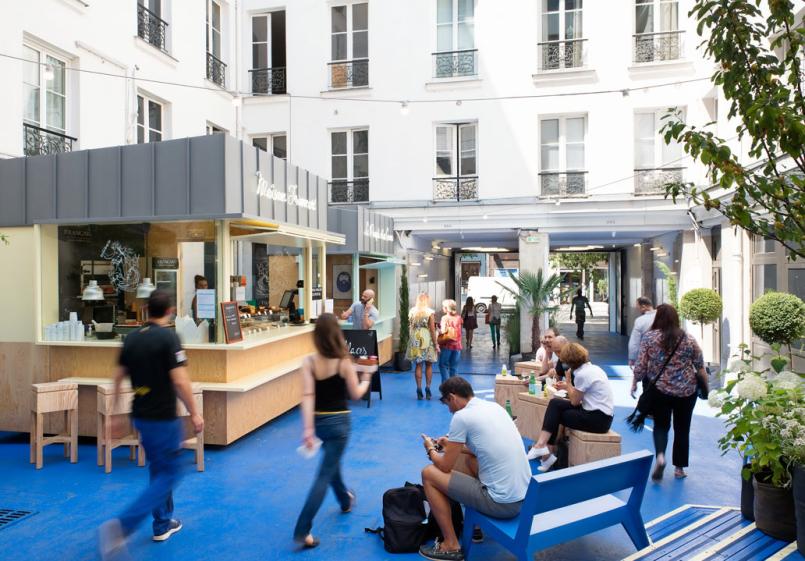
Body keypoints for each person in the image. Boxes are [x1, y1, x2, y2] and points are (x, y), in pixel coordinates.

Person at [99, 290, 204, 561]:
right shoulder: (169, 338)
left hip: (141, 416)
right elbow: (180, 381)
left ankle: (162, 524)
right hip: (163, 417)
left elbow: (118, 377)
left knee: (159, 468)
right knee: (170, 473)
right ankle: (123, 526)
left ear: (146, 309)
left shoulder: (131, 338)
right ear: (170, 311)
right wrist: (194, 413)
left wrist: (117, 415)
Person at [419, 377, 531, 561]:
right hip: (522, 499)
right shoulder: (494, 407)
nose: (449, 409)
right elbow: (482, 448)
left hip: (501, 504)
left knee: (429, 474)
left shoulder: (461, 417)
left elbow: (445, 466)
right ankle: (475, 526)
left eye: (447, 404)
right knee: (468, 459)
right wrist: (451, 446)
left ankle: (451, 544)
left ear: (452, 397)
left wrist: (430, 449)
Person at [293, 314, 372, 548]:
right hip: (340, 424)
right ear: (337, 334)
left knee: (331, 463)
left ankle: (345, 500)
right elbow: (356, 394)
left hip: (319, 423)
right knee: (324, 474)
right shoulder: (343, 362)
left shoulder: (308, 362)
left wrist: (308, 429)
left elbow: (308, 396)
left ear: (316, 336)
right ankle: (302, 529)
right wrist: (366, 379)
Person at [632, 304, 708, 481]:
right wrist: (706, 388)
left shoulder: (649, 338)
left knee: (661, 426)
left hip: (660, 390)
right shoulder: (688, 339)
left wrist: (635, 381)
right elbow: (700, 366)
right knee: (682, 428)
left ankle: (660, 457)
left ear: (657, 318)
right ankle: (679, 468)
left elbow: (641, 365)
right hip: (686, 391)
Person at [526, 343, 614, 469]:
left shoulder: (582, 374)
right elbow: (580, 395)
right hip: (602, 415)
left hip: (598, 420)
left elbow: (574, 401)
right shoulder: (593, 369)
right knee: (555, 403)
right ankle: (544, 448)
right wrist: (568, 386)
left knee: (559, 414)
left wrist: (568, 383)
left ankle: (545, 450)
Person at [406, 293, 440, 400]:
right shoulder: (429, 312)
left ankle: (419, 388)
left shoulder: (412, 311)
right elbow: (432, 330)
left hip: (415, 338)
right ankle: (428, 387)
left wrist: (411, 339)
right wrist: (436, 344)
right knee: (429, 365)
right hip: (427, 338)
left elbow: (410, 327)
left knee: (418, 365)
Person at [438, 299, 463, 384]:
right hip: (457, 346)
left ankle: (446, 386)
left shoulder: (445, 318)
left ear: (447, 308)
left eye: (443, 307)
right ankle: (454, 387)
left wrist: (438, 330)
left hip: (447, 346)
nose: (442, 308)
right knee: (454, 367)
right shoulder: (459, 318)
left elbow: (443, 331)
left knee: (443, 365)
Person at [628, 297, 656, 370]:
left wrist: (632, 358)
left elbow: (634, 342)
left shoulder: (640, 320)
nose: (637, 310)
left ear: (643, 307)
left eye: (638, 308)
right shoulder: (664, 317)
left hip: (648, 357)